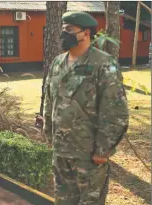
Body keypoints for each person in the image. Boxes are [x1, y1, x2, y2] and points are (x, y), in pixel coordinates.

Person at [43, 12, 129, 205]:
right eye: (63, 29)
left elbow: (116, 112)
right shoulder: (58, 63)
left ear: (86, 33)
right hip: (61, 151)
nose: (64, 34)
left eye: (70, 30)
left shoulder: (103, 64)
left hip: (88, 154)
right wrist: (49, 134)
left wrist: (103, 149)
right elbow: (50, 101)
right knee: (63, 201)